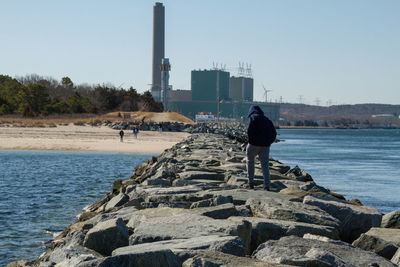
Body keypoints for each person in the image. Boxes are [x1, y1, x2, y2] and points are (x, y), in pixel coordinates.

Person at [244, 105, 277, 190]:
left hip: (253, 145)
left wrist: (250, 142)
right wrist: (269, 142)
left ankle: (250, 183)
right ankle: (267, 185)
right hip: (265, 146)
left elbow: (249, 130)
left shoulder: (253, 118)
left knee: (250, 162)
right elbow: (274, 133)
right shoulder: (267, 120)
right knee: (265, 165)